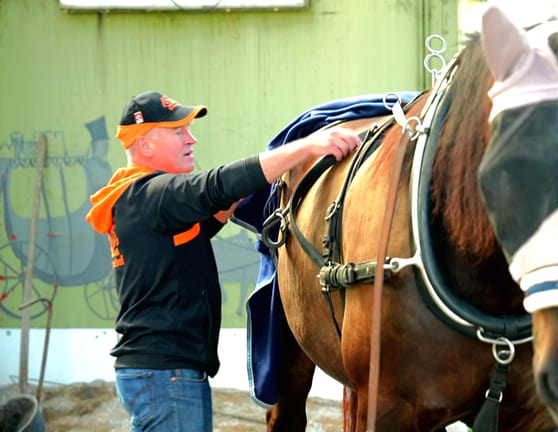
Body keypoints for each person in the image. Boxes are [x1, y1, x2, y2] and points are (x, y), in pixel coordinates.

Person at [84, 91, 361, 432]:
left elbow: (208, 215)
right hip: (166, 376)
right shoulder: (151, 195)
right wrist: (307, 147)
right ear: (145, 144)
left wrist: (255, 186)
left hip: (159, 373)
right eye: (178, 131)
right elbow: (213, 186)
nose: (191, 138)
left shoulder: (142, 202)